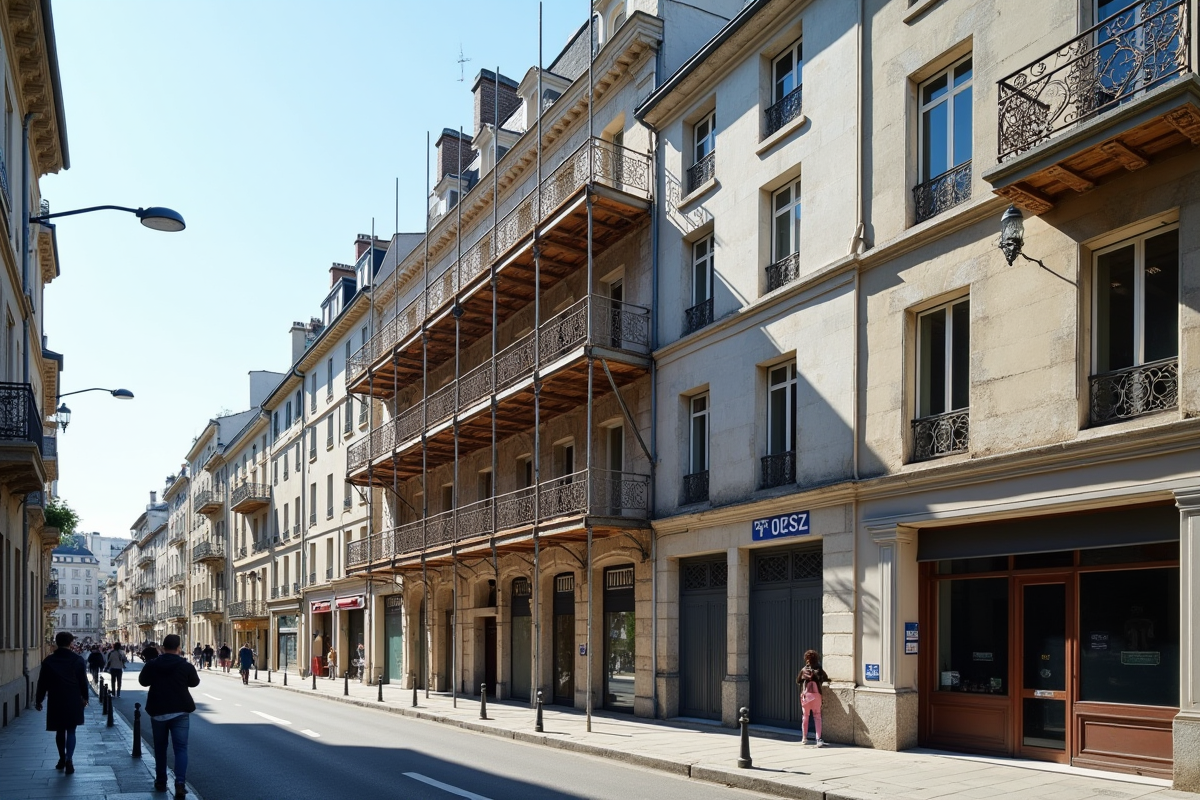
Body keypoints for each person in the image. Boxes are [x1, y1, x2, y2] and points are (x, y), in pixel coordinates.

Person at [139, 633, 199, 797]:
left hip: (158, 710)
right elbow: (194, 682)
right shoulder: (185, 665)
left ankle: (160, 781)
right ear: (179, 648)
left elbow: (143, 681)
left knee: (160, 748)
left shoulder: (153, 664)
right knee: (180, 749)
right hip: (180, 710)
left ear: (163, 648)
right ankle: (180, 783)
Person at [35, 631, 89, 774]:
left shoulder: (49, 661)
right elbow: (83, 681)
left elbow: (42, 683)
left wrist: (39, 699)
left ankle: (61, 759)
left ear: (57, 643)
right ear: (71, 643)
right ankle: (69, 759)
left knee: (60, 731)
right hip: (73, 698)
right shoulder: (77, 660)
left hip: (56, 698)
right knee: (71, 730)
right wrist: (85, 697)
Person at [796, 649, 830, 747]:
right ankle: (818, 738)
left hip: (806, 697)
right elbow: (825, 677)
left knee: (805, 716)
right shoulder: (818, 669)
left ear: (806, 659)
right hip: (816, 697)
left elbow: (798, 681)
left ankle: (804, 738)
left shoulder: (803, 669)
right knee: (817, 716)